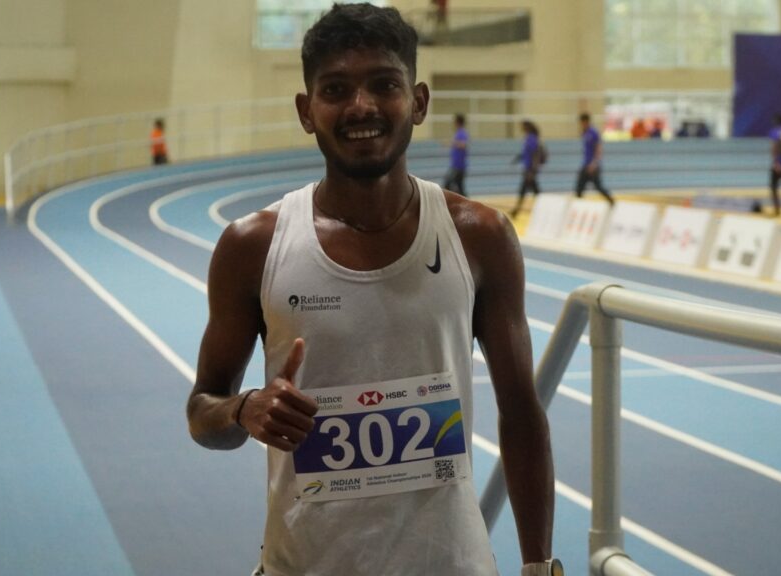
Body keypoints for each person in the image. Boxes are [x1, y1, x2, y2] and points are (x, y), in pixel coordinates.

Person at [185, 5, 558, 576]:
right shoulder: (253, 246)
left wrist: (538, 567)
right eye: (336, 90)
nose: (361, 106)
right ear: (306, 111)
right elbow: (201, 412)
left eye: (384, 84)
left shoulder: (479, 237)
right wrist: (243, 409)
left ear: (419, 102)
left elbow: (522, 414)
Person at [574, 113, 614, 206]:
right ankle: (579, 205)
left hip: (592, 166)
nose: (581, 125)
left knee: (598, 186)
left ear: (586, 121)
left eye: (582, 122)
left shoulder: (593, 133)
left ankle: (612, 202)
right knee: (579, 187)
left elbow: (598, 148)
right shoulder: (585, 133)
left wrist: (594, 163)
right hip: (585, 164)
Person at [510, 119, 543, 217]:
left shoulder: (531, 138)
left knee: (525, 190)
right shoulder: (528, 138)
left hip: (530, 169)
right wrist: (518, 158)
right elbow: (526, 153)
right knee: (533, 191)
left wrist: (532, 170)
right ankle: (516, 210)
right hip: (528, 168)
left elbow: (535, 154)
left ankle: (516, 210)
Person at [443, 113, 468, 196]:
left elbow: (464, 145)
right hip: (456, 165)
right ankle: (463, 201)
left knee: (447, 184)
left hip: (458, 166)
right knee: (459, 187)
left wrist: (453, 143)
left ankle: (451, 199)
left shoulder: (462, 133)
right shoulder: (458, 133)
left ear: (458, 122)